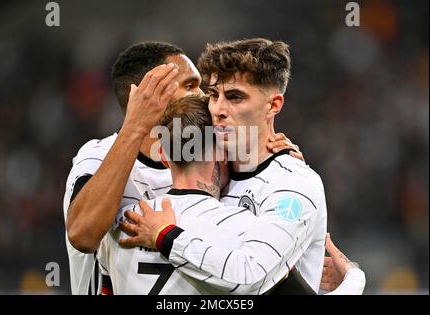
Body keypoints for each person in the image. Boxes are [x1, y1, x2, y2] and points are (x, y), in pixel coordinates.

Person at [63, 41, 299, 294]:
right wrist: (135, 124)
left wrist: (285, 170)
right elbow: (83, 236)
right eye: (190, 85)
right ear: (147, 94)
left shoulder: (213, 160)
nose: (204, 96)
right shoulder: (99, 156)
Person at [121, 38, 328, 293]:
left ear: (273, 105)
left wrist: (166, 236)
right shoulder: (205, 173)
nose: (218, 109)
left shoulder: (293, 184)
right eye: (213, 95)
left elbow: (250, 276)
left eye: (235, 97)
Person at [106, 95, 365, 295]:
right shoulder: (242, 231)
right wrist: (354, 277)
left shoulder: (120, 224)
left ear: (163, 155)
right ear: (222, 151)